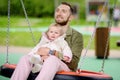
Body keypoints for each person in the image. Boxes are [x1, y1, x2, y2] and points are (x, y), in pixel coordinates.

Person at [10, 2, 83, 80]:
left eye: (63, 11)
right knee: (25, 58)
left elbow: (73, 64)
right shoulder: (47, 33)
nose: (59, 13)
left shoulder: (76, 36)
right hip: (41, 62)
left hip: (64, 67)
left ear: (71, 17)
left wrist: (52, 53)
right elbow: (40, 50)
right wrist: (38, 53)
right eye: (57, 10)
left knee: (52, 60)